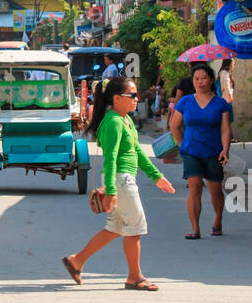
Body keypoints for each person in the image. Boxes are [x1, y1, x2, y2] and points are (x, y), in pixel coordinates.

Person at [63, 76, 175, 290]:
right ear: (117, 98)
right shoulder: (113, 122)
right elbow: (111, 158)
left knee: (115, 227)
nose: (136, 99)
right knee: (134, 228)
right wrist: (112, 190)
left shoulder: (126, 120)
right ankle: (135, 277)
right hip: (121, 180)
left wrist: (156, 176)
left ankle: (76, 261)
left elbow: (137, 152)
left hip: (123, 179)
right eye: (131, 95)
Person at [170, 63, 233, 238]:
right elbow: (174, 127)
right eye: (196, 79)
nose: (200, 82)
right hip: (191, 152)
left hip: (214, 151)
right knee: (194, 188)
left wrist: (225, 149)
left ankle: (218, 219)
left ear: (211, 80)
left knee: (215, 190)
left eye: (204, 78)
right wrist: (183, 145)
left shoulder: (221, 103)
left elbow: (225, 129)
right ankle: (195, 228)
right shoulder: (185, 101)